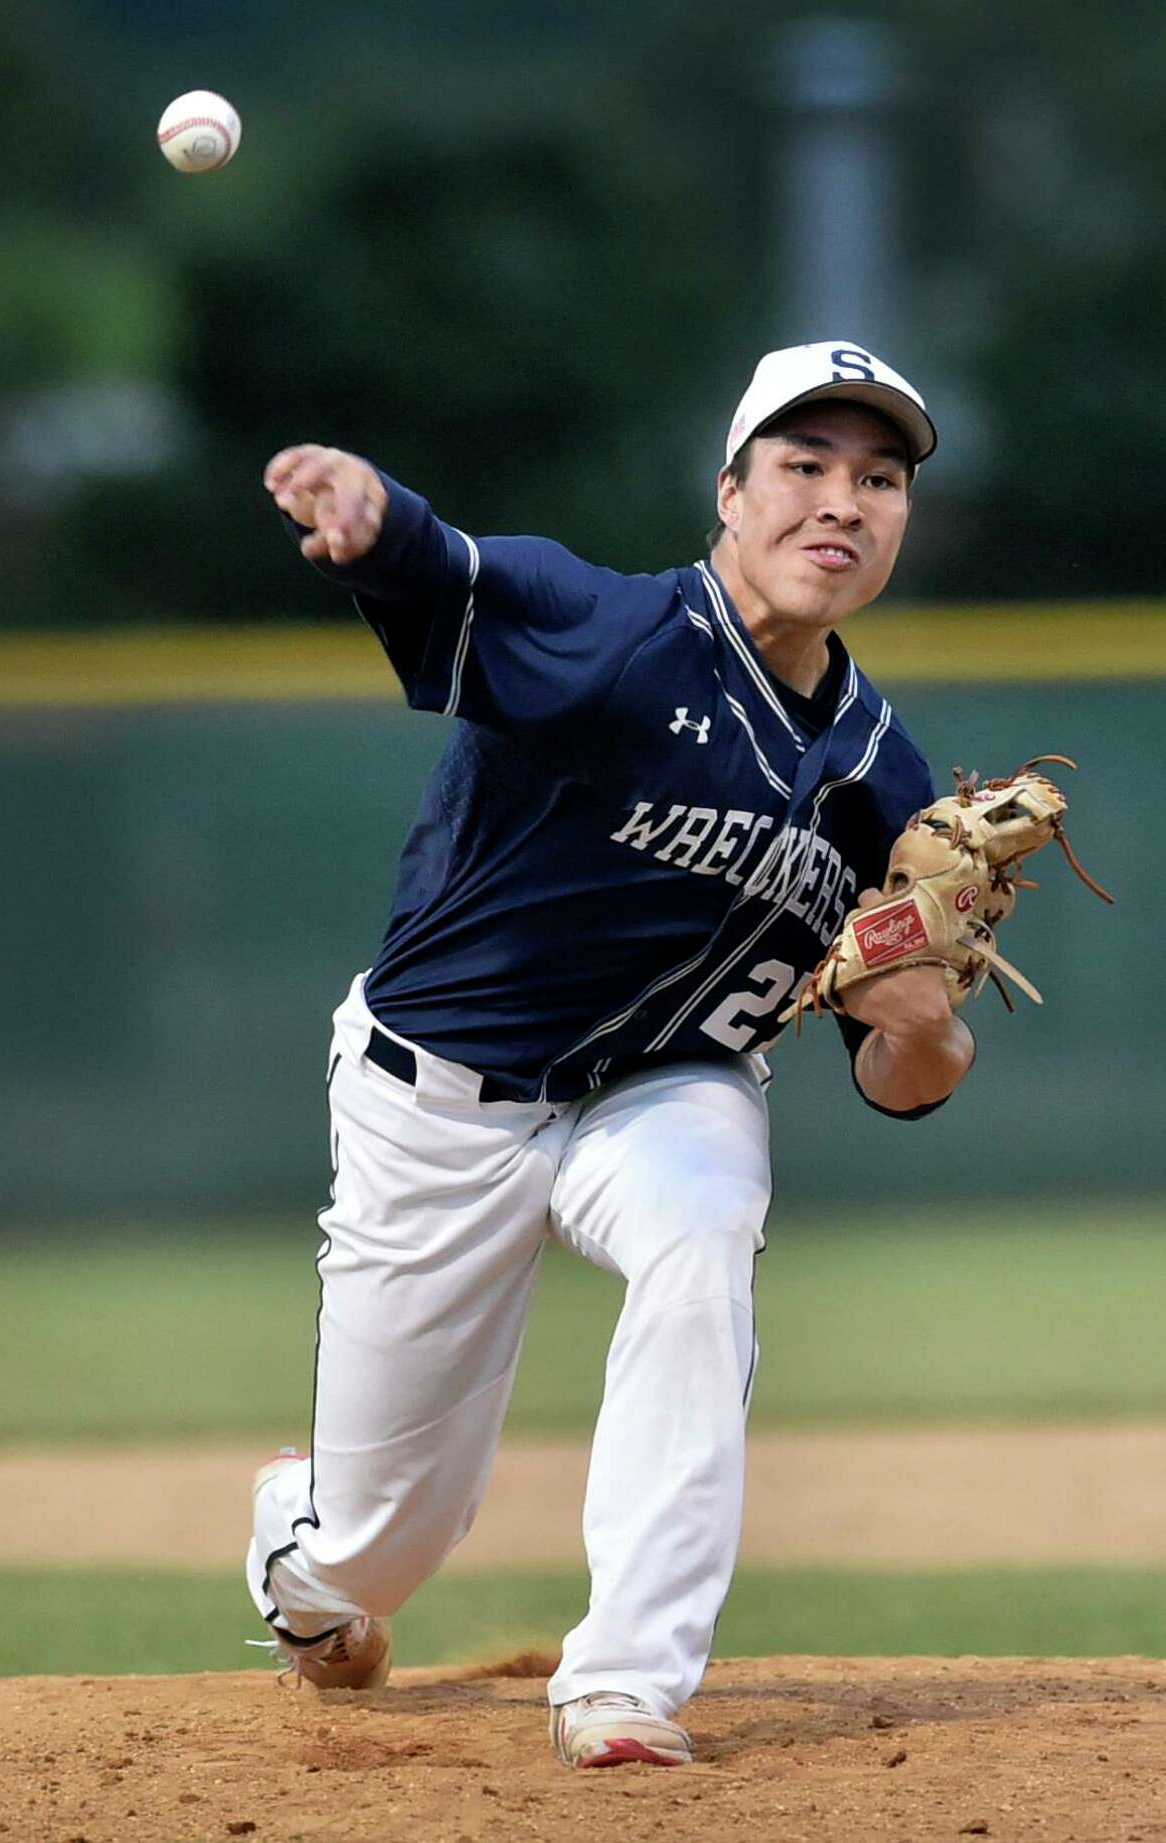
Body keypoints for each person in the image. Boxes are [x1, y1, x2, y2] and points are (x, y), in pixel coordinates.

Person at [246, 341, 975, 1769]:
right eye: (805, 466)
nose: (843, 502)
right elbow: (450, 570)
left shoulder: (886, 780)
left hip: (667, 1090)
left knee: (707, 1233)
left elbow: (905, 1085)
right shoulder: (614, 629)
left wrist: (924, 1026)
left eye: (878, 479)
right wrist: (362, 511)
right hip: (442, 1099)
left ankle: (626, 1682)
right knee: (376, 1556)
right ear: (730, 491)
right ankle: (302, 1548)